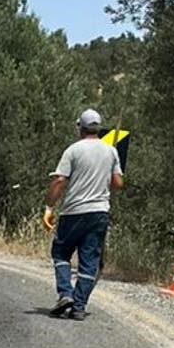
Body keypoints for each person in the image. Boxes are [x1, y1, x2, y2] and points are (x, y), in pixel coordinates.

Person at [44, 109, 123, 320]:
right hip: (99, 213)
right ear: (98, 128)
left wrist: (49, 207)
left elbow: (60, 181)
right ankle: (79, 307)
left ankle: (65, 294)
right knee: (89, 261)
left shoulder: (73, 150)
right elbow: (118, 183)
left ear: (80, 127)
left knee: (61, 253)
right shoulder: (111, 151)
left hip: (74, 212)